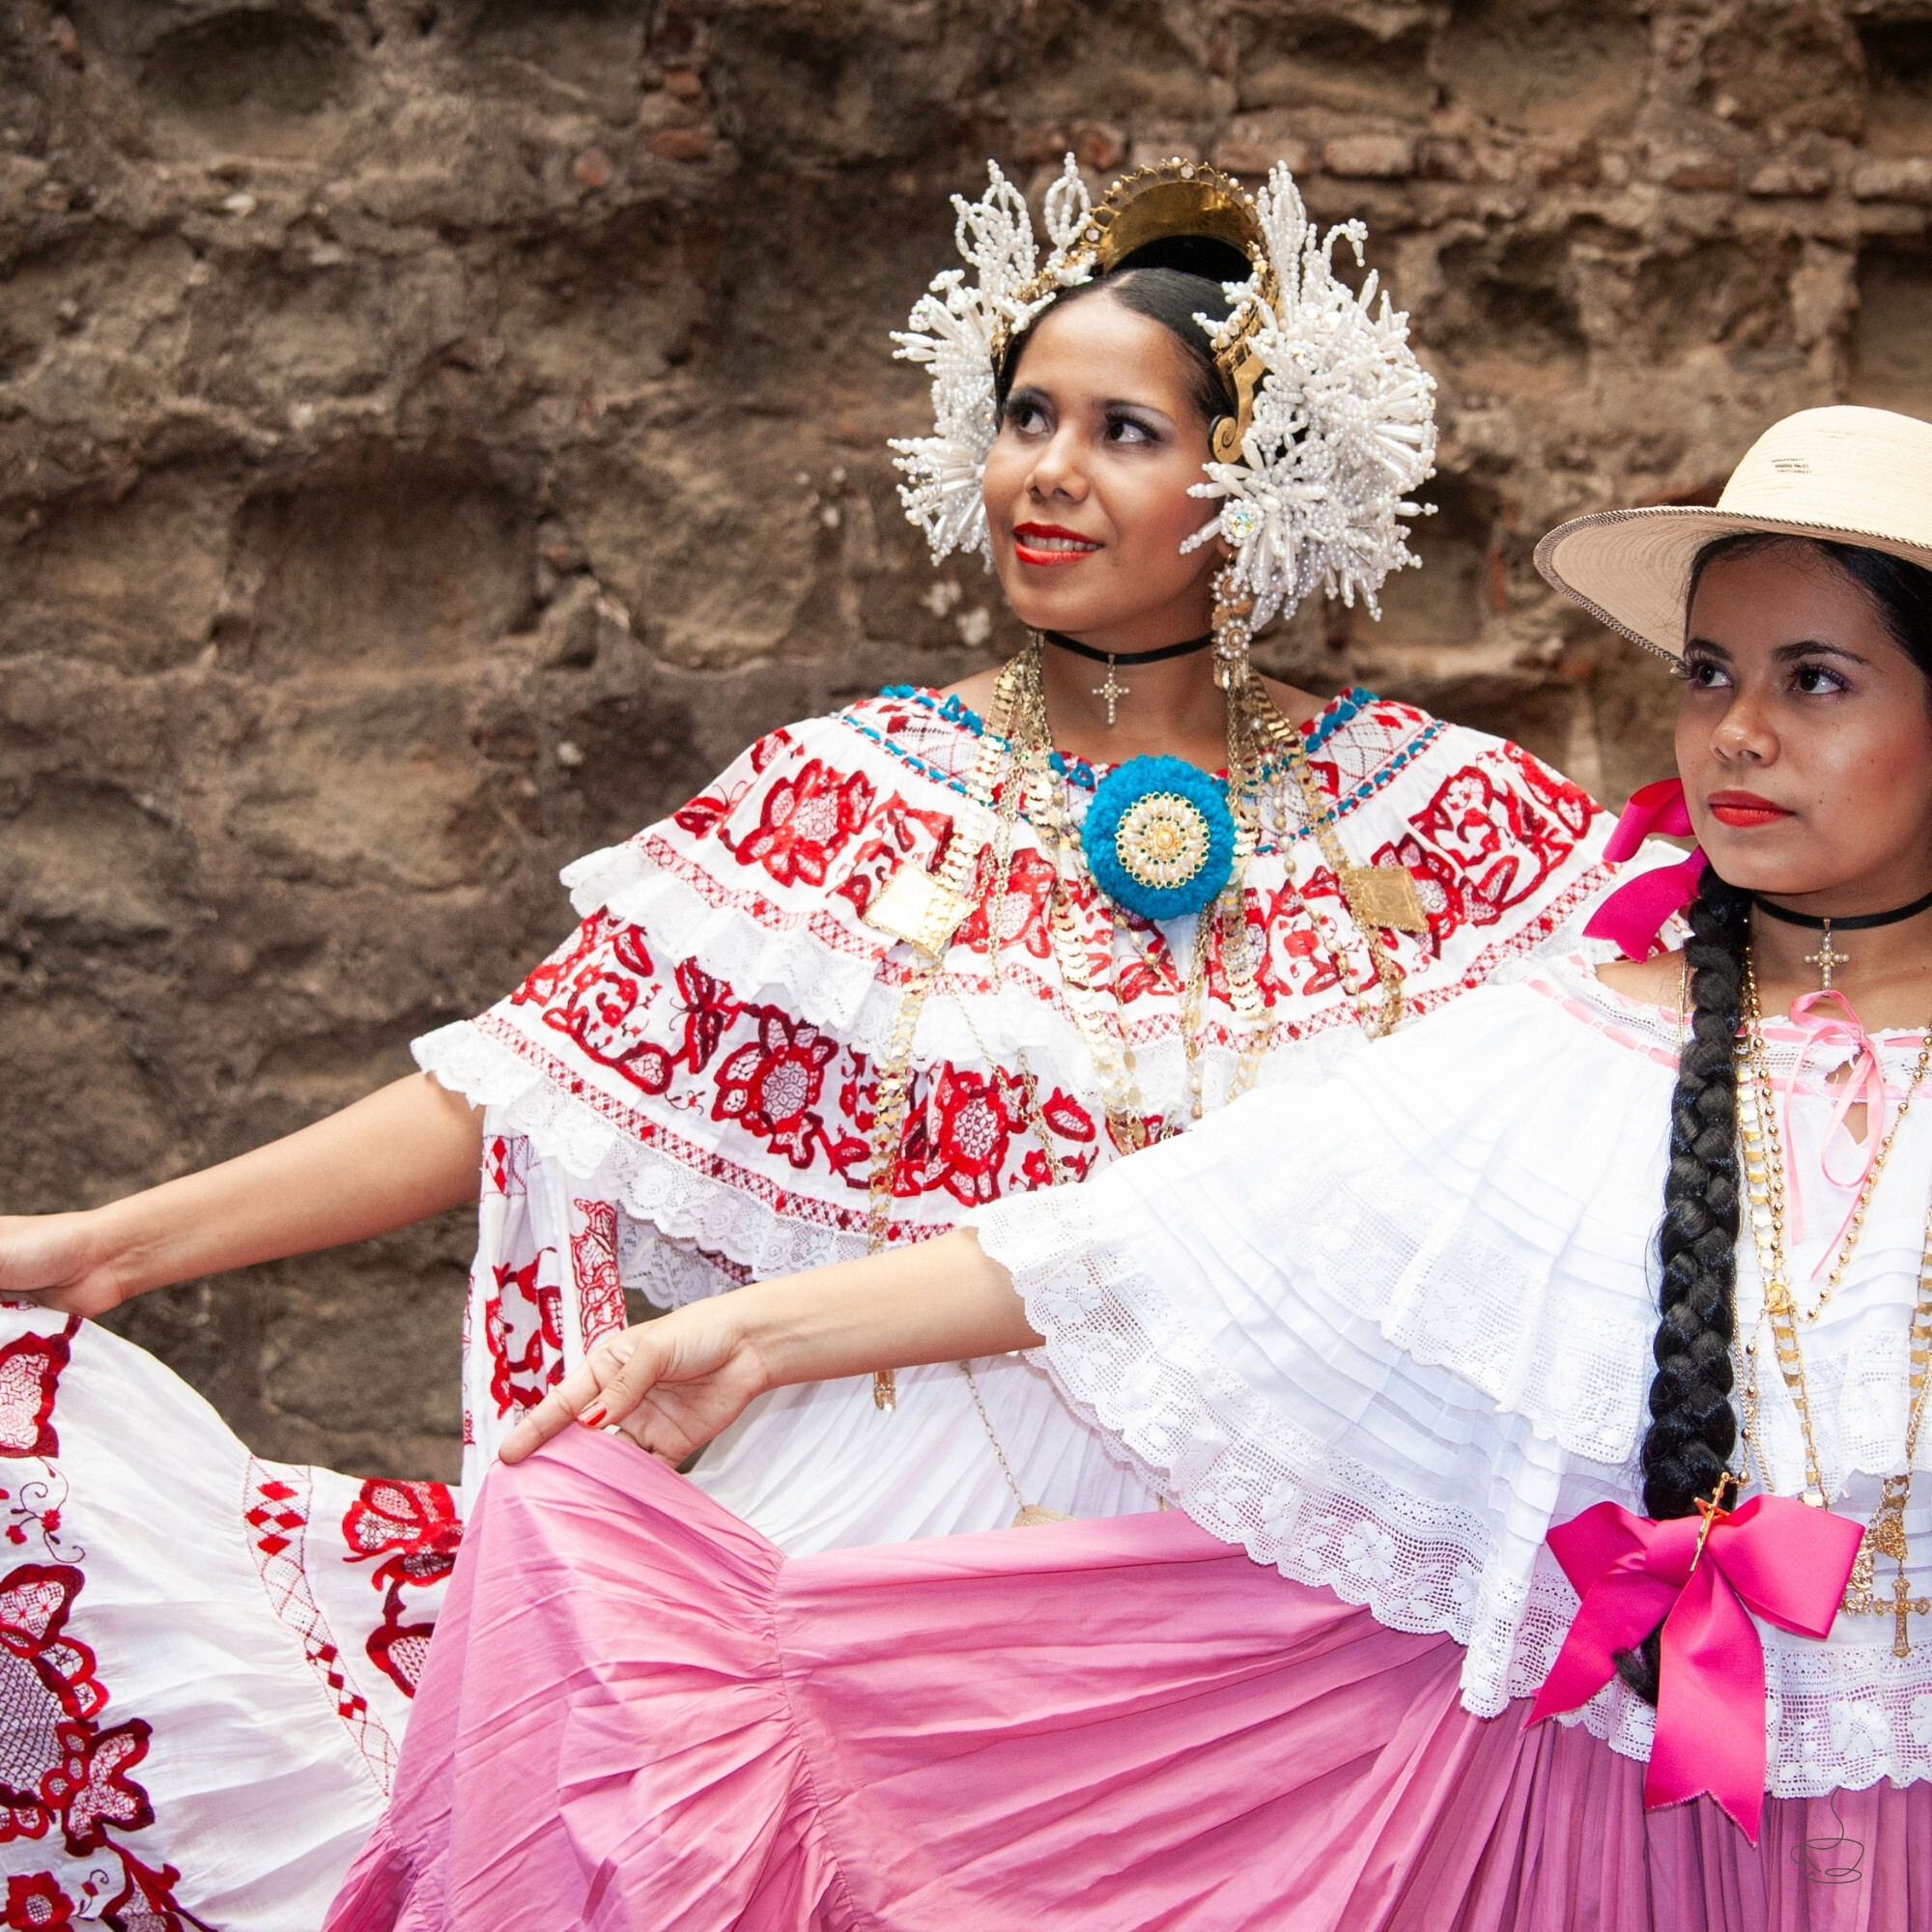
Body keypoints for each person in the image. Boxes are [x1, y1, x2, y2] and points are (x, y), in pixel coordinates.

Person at [0, 160, 1634, 1925]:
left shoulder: (1467, 832)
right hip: (880, 1537)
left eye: (1124, 432)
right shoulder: (844, 796)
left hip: (1280, 1622)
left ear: (1264, 487)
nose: (1048, 473)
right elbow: (535, 1087)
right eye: (1024, 415)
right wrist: (113, 1246)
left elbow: (1666, 1122)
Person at [328, 404, 1932, 1931]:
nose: (1739, 732)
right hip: (1589, 1837)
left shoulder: (1457, 837)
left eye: (1818, 681)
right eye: (1712, 670)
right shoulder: (1566, 1043)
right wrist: (740, 1340)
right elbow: (1163, 1238)